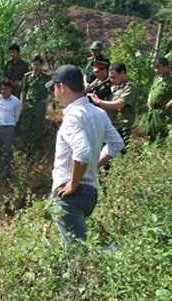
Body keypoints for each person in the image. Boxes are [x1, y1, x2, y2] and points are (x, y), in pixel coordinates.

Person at [45, 65, 124, 245]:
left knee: (76, 255)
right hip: (90, 193)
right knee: (76, 249)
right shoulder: (98, 113)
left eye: (55, 87)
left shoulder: (73, 116)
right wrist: (93, 165)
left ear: (62, 87)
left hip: (71, 195)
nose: (55, 93)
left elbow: (82, 152)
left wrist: (73, 183)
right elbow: (116, 143)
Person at [89, 62, 137, 146]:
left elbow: (120, 104)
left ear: (122, 73)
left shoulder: (129, 87)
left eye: (113, 77)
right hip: (107, 125)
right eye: (110, 77)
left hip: (121, 128)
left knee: (120, 153)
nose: (111, 80)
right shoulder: (110, 87)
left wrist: (99, 101)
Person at [0, 78, 21, 180]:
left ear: (10, 89)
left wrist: (9, 124)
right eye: (2, 89)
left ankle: (6, 173)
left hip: (9, 128)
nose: (3, 91)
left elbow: (17, 116)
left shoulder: (16, 101)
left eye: (5, 89)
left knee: (8, 151)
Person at [19, 55, 51, 159]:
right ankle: (26, 151)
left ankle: (35, 151)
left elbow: (53, 91)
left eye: (37, 64)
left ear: (41, 65)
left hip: (39, 106)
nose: (35, 66)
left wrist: (47, 100)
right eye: (33, 64)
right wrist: (22, 104)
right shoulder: (27, 77)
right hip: (28, 104)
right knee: (26, 128)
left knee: (38, 129)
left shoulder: (46, 78)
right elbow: (23, 91)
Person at [146, 57, 172, 142]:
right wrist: (149, 101)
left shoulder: (170, 80)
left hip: (163, 112)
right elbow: (151, 91)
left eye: (159, 67)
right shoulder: (156, 79)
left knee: (162, 135)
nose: (156, 70)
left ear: (166, 67)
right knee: (151, 134)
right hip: (153, 112)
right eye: (155, 68)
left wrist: (169, 104)